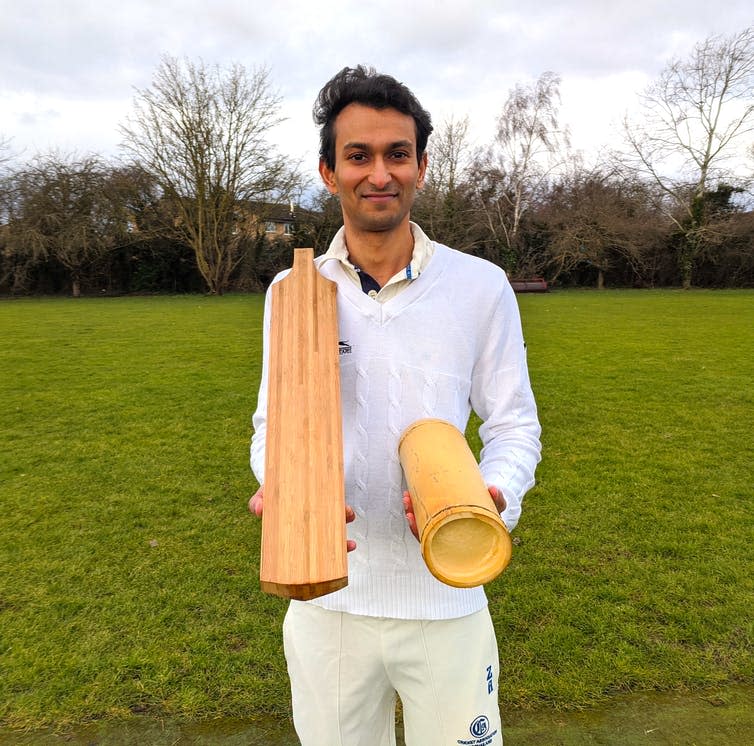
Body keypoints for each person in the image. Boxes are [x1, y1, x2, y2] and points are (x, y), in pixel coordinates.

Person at [249, 65, 541, 746]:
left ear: (421, 166)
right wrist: (283, 487)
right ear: (328, 171)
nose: (379, 173)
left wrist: (494, 495)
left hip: (447, 592)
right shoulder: (292, 291)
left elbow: (513, 423)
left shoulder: (480, 286)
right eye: (358, 156)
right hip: (329, 600)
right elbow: (272, 425)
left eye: (396, 154)